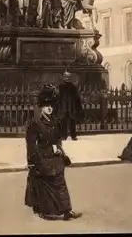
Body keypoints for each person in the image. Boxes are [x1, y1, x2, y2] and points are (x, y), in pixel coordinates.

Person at [25, 83, 82, 221]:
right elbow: (32, 146)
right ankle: (43, 210)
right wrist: (33, 162)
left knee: (60, 182)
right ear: (41, 107)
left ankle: (67, 210)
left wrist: (60, 151)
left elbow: (58, 141)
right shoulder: (35, 124)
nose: (49, 108)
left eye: (51, 105)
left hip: (55, 158)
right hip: (42, 158)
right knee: (44, 185)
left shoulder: (56, 122)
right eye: (46, 105)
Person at [56, 71, 83, 140]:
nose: (67, 78)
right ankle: (63, 135)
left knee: (72, 121)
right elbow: (58, 96)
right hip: (64, 106)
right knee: (63, 121)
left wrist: (77, 106)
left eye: (68, 77)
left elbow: (77, 97)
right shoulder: (60, 86)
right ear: (63, 77)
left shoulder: (73, 86)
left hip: (71, 106)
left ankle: (73, 135)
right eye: (65, 76)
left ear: (69, 78)